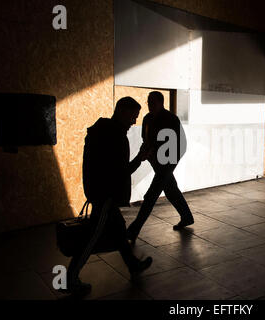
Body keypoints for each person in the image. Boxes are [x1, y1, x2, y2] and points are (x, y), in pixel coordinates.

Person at [63, 97, 152, 296]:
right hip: (105, 196)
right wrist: (140, 158)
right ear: (121, 111)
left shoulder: (102, 130)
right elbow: (120, 171)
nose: (134, 121)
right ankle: (70, 279)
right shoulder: (115, 136)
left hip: (100, 192)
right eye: (132, 116)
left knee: (119, 230)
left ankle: (132, 264)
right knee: (92, 238)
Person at [126, 91, 194, 244]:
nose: (149, 105)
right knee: (171, 190)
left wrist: (170, 164)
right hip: (157, 163)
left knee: (151, 196)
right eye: (148, 102)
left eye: (152, 102)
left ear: (161, 102)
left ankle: (134, 229)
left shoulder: (171, 119)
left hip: (166, 164)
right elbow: (146, 139)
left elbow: (180, 145)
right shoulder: (147, 119)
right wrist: (147, 154)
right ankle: (187, 217)